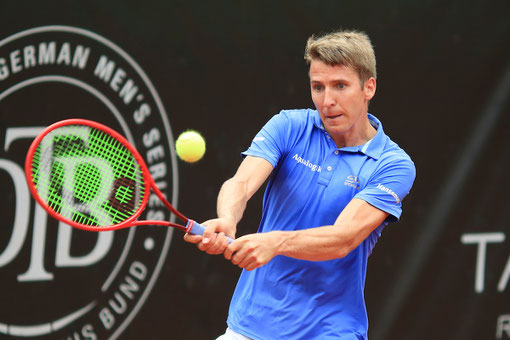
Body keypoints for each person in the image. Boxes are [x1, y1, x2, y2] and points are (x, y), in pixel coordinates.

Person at [184, 29, 416, 340]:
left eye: (340, 86)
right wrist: (228, 218)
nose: (328, 101)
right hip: (251, 325)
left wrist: (275, 243)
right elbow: (241, 182)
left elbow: (343, 238)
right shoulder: (289, 126)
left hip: (331, 330)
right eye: (318, 87)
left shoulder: (393, 165)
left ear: (368, 87)